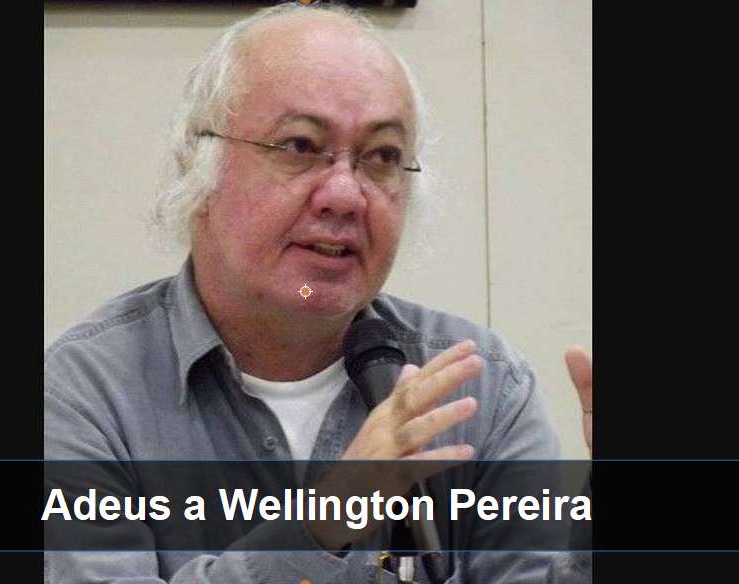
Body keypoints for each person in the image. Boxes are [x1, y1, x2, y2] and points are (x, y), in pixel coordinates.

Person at [44, 3, 592, 582]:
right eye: (300, 146)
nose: (345, 195)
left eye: (382, 157)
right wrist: (326, 519)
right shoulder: (86, 394)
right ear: (197, 163)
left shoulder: (480, 388)